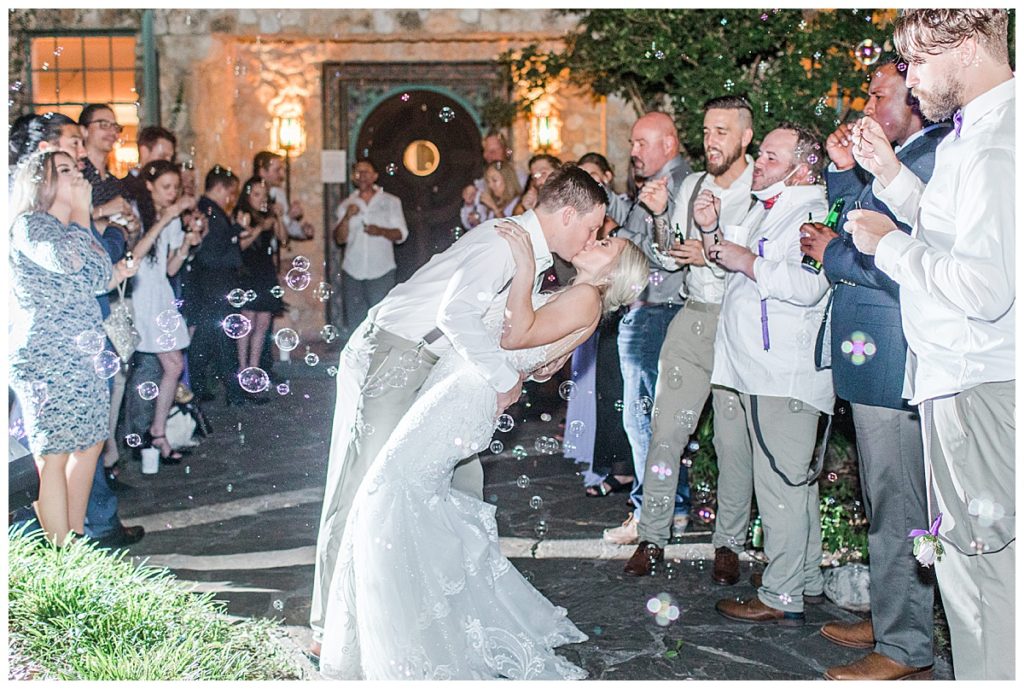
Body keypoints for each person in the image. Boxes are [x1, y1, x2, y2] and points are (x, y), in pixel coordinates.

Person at [319, 211, 648, 681]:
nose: (596, 241)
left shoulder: (584, 298)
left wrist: (524, 266)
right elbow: (541, 364)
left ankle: (401, 633)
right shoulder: (578, 299)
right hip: (460, 388)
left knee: (387, 493)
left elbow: (515, 334)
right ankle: (430, 614)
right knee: (413, 502)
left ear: (613, 273)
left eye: (606, 245)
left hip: (463, 395)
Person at [846, 9, 1014, 680]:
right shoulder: (974, 136)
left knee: (986, 579)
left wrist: (890, 248)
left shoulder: (1001, 142)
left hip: (981, 387)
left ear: (968, 47)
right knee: (965, 571)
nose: (909, 82)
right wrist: (892, 180)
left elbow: (986, 287)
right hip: (954, 380)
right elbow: (956, 232)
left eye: (916, 62)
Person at [799, 59, 948, 681]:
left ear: (914, 100)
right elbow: (858, 219)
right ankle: (893, 615)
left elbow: (897, 261)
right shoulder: (899, 156)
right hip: (872, 355)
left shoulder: (930, 158)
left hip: (896, 357)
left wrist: (830, 252)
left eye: (877, 93)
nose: (865, 104)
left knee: (900, 502)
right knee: (881, 498)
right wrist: (840, 173)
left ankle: (907, 643)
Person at [621, 96, 756, 577]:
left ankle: (728, 544)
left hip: (740, 324)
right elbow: (666, 258)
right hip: (694, 317)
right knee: (665, 431)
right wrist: (659, 217)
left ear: (745, 136)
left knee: (732, 441)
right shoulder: (694, 184)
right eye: (706, 130)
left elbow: (765, 261)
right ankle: (653, 536)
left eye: (722, 131)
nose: (711, 140)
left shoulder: (762, 188)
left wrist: (712, 251)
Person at [707, 123, 831, 626]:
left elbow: (807, 286)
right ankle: (803, 577)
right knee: (793, 484)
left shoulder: (812, 212)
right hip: (762, 371)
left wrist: (746, 260)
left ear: (803, 167)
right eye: (761, 156)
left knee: (780, 484)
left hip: (785, 373)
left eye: (772, 158)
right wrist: (718, 236)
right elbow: (731, 264)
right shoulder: (773, 207)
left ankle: (782, 595)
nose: (759, 163)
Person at [9, 114, 146, 549]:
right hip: (49, 357)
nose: (79, 176)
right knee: (53, 454)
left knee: (88, 446)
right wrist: (82, 214)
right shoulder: (31, 225)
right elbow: (67, 262)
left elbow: (95, 276)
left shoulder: (72, 225)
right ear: (43, 184)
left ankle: (75, 540)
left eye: (75, 169)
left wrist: (112, 258)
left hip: (82, 353)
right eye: (65, 171)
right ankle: (60, 553)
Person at [601, 111, 693, 546]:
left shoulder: (673, 187)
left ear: (669, 144)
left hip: (656, 311)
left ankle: (648, 512)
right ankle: (673, 508)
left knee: (643, 420)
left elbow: (665, 255)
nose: (632, 151)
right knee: (664, 419)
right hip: (660, 311)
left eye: (641, 142)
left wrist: (620, 237)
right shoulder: (664, 185)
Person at [565, 153, 633, 495]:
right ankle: (609, 463)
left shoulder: (622, 213)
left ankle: (624, 468)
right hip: (601, 309)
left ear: (608, 176)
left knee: (621, 390)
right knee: (604, 392)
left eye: (595, 176)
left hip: (621, 307)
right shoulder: (585, 222)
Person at [132, 160, 202, 461]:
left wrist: (186, 243)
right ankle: (152, 434)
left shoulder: (173, 220)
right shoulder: (136, 214)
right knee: (167, 367)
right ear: (149, 186)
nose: (172, 193)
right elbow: (134, 257)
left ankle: (157, 431)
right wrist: (166, 218)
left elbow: (171, 268)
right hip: (139, 294)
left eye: (175, 187)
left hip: (160, 295)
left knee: (173, 367)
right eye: (166, 187)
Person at [188, 165, 245, 405]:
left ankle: (204, 389)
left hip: (215, 286)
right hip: (214, 285)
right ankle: (228, 392)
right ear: (220, 187)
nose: (230, 198)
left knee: (211, 339)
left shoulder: (211, 210)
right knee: (219, 340)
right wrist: (235, 233)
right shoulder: (209, 211)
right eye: (229, 192)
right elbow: (209, 255)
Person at [332, 158, 408, 338]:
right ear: (353, 178)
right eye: (358, 172)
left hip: (382, 269)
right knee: (356, 322)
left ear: (375, 176)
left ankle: (380, 360)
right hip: (353, 269)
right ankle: (357, 362)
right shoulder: (346, 204)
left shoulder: (390, 201)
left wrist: (380, 231)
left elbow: (401, 234)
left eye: (366, 172)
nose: (362, 176)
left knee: (382, 320)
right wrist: (347, 217)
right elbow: (339, 239)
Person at [234, 175, 286, 385]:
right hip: (247, 270)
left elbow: (283, 239)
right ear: (247, 196)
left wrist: (279, 218)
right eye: (256, 194)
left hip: (265, 270)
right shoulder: (242, 215)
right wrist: (259, 229)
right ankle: (242, 367)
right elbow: (240, 246)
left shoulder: (268, 216)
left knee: (263, 322)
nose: (261, 199)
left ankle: (254, 369)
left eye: (264, 195)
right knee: (248, 321)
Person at [254, 150, 315, 241]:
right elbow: (264, 226)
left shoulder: (279, 194)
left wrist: (302, 231)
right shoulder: (253, 194)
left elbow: (287, 226)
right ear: (263, 172)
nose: (282, 174)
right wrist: (289, 216)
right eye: (277, 170)